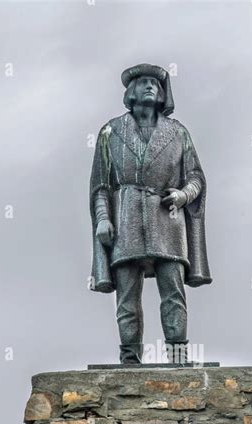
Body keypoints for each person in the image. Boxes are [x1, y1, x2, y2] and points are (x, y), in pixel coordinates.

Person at [89, 63, 212, 365]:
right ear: (131, 92)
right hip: (126, 216)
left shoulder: (178, 132)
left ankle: (178, 356)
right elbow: (101, 185)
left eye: (155, 84)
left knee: (173, 292)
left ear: (162, 94)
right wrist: (104, 218)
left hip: (167, 220)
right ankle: (129, 358)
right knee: (127, 297)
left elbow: (196, 178)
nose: (149, 87)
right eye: (143, 82)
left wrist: (183, 195)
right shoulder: (111, 131)